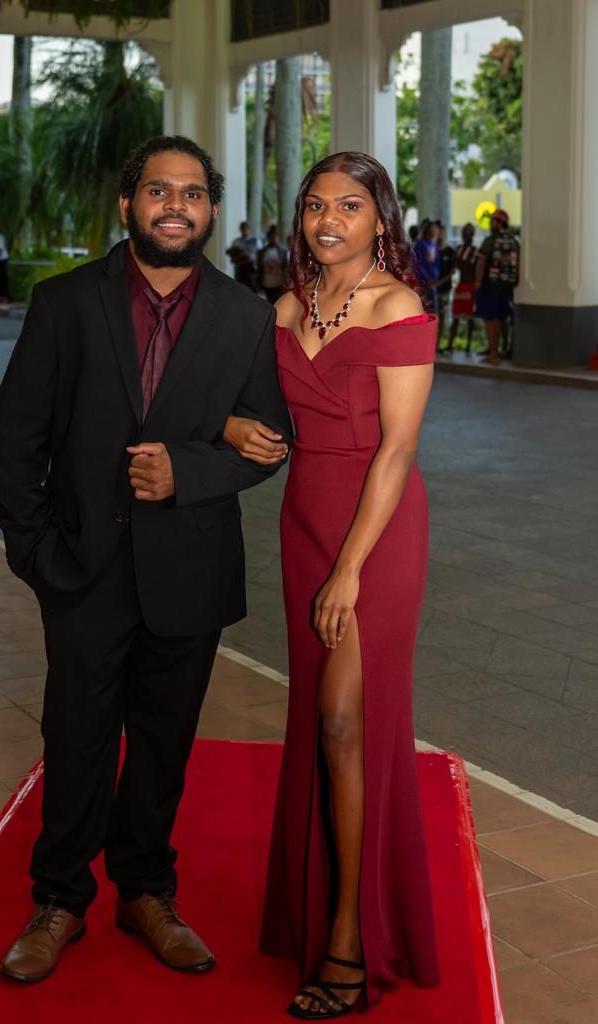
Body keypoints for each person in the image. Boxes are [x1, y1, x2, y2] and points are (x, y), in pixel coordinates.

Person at [0, 135, 292, 985]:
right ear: (127, 204)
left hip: (190, 570)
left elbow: (271, 443)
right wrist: (34, 552)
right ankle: (59, 900)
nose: (174, 206)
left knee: (163, 744)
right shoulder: (65, 303)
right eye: (158, 190)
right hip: (80, 567)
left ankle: (146, 893)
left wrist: (188, 469)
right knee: (77, 735)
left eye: (192, 193)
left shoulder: (244, 315)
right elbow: (17, 437)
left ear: (209, 210)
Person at [224, 151, 440, 1017]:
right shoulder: (283, 307)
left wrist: (349, 570)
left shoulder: (400, 307)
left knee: (347, 720)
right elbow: (252, 411)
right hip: (306, 521)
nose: (327, 220)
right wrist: (238, 426)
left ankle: (350, 939)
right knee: (318, 719)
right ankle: (320, 914)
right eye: (315, 205)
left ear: (379, 218)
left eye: (349, 206)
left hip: (377, 531)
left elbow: (397, 449)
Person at [474, 209, 519, 365]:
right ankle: (500, 351)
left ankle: (493, 354)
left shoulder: (490, 241)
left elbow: (481, 262)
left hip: (488, 286)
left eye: (493, 221)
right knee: (500, 319)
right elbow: (517, 265)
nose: (491, 224)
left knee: (490, 320)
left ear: (500, 223)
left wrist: (477, 282)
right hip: (506, 287)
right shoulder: (514, 241)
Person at [447, 222, 478, 352]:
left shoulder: (475, 251)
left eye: (468, 233)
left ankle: (468, 345)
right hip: (460, 285)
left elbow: (477, 269)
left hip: (471, 286)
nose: (466, 235)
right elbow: (453, 267)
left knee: (470, 316)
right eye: (464, 233)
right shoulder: (459, 249)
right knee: (456, 315)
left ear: (472, 235)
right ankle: (450, 344)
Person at [434, 222, 455, 350]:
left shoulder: (450, 251)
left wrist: (441, 282)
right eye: (438, 232)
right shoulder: (431, 249)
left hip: (444, 288)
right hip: (431, 289)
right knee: (431, 317)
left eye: (442, 232)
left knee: (441, 315)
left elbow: (452, 271)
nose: (440, 234)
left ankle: (438, 344)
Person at [257, 223, 289, 303]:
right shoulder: (262, 252)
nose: (273, 239)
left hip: (279, 284)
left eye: (275, 237)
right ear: (268, 238)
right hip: (267, 284)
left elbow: (286, 267)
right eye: (271, 237)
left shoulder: (283, 252)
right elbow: (259, 268)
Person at [413, 219, 439, 312]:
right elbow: (417, 263)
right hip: (423, 282)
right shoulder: (420, 245)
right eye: (432, 228)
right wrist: (427, 277)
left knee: (433, 308)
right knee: (424, 307)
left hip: (432, 283)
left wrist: (435, 277)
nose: (434, 230)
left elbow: (436, 263)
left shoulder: (434, 245)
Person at [226, 220, 260, 290]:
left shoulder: (256, 241)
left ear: (249, 229)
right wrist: (240, 256)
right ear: (240, 230)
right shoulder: (236, 242)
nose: (245, 231)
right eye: (243, 229)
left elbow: (260, 256)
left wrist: (248, 256)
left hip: (252, 269)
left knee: (252, 290)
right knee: (240, 289)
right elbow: (232, 258)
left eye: (246, 229)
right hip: (240, 269)